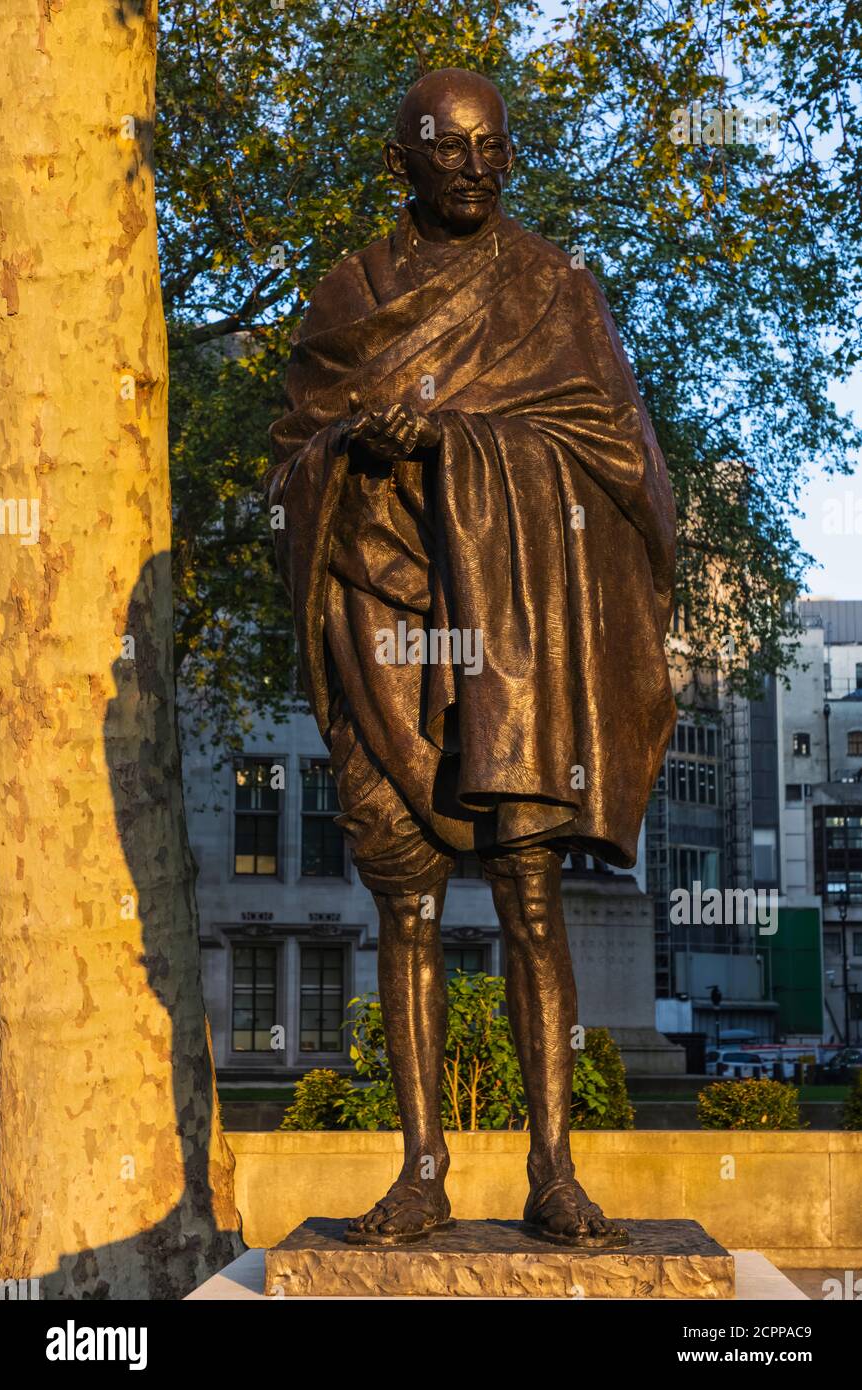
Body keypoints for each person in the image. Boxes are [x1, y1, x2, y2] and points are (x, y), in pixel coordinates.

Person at [267, 67, 676, 1246]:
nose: (478, 168)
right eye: (450, 150)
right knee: (403, 905)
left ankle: (553, 1170)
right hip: (384, 627)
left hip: (511, 645)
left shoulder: (553, 287)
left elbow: (613, 453)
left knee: (530, 896)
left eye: (494, 148)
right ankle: (422, 1169)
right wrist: (355, 440)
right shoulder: (348, 296)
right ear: (400, 160)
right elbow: (291, 460)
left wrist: (455, 436)